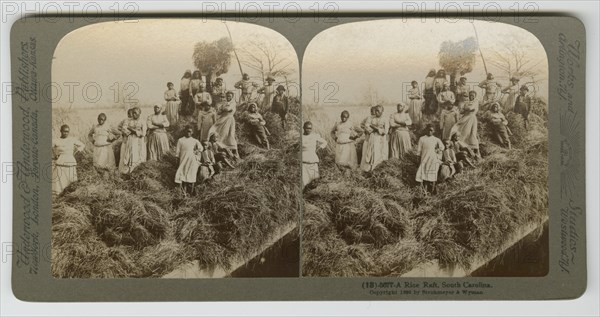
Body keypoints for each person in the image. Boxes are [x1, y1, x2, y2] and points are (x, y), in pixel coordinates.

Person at [52, 124, 85, 195]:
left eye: (67, 131)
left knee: (70, 176)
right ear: (60, 131)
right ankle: (59, 192)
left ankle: (70, 192)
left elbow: (82, 145)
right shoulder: (56, 140)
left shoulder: (72, 139)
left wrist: (77, 151)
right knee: (60, 177)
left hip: (70, 160)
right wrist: (55, 155)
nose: (66, 133)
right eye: (64, 131)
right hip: (61, 160)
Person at [415, 124, 444, 194]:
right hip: (424, 158)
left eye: (431, 130)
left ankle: (432, 190)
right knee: (424, 174)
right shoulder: (422, 139)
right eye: (428, 130)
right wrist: (418, 159)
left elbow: (442, 147)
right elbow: (419, 150)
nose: (429, 132)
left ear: (433, 131)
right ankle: (424, 191)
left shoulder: (436, 139)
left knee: (432, 174)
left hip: (433, 159)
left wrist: (437, 150)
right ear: (426, 130)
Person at [451, 90, 481, 158]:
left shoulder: (475, 102)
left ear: (475, 96)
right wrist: (463, 109)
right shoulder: (466, 102)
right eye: (470, 95)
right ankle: (462, 148)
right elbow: (461, 111)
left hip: (471, 118)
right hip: (465, 118)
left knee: (471, 134)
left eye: (473, 96)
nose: (471, 97)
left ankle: (477, 151)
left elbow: (471, 108)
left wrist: (466, 108)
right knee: (461, 131)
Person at [175, 126, 203, 196]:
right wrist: (177, 159)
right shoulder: (180, 140)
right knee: (182, 174)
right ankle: (182, 192)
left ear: (192, 132)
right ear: (184, 131)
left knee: (191, 175)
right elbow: (177, 151)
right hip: (183, 159)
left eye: (190, 131)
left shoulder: (194, 140)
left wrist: (196, 151)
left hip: (191, 160)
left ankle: (190, 192)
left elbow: (201, 148)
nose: (188, 133)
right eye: (187, 131)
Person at [360, 105, 389, 172]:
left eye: (378, 111)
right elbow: (367, 126)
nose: (376, 112)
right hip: (373, 138)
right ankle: (370, 169)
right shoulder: (371, 118)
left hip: (381, 139)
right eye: (375, 111)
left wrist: (376, 128)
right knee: (372, 152)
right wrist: (372, 129)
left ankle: (378, 168)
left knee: (380, 152)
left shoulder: (385, 119)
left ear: (382, 111)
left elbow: (385, 131)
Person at [119, 107, 147, 174]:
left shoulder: (142, 121)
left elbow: (143, 133)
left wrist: (132, 130)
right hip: (130, 140)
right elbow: (124, 129)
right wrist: (131, 131)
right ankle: (128, 172)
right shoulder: (128, 121)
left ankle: (137, 171)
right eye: (133, 113)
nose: (133, 114)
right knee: (129, 154)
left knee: (138, 155)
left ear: (139, 113)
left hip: (138, 141)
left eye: (135, 113)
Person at [211, 90, 239, 156]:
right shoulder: (224, 103)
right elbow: (219, 112)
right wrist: (222, 109)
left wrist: (223, 109)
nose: (228, 97)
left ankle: (233, 151)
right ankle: (221, 148)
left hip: (229, 119)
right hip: (222, 118)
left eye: (229, 96)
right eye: (227, 96)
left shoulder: (233, 103)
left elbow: (228, 109)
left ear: (232, 97)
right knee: (216, 131)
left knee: (228, 134)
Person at [302, 121, 327, 188]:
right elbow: (296, 147)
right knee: (304, 181)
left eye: (310, 128)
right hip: (303, 161)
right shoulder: (301, 137)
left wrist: (319, 148)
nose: (308, 130)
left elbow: (324, 142)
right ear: (303, 128)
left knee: (314, 180)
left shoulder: (314, 136)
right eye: (307, 128)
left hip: (312, 160)